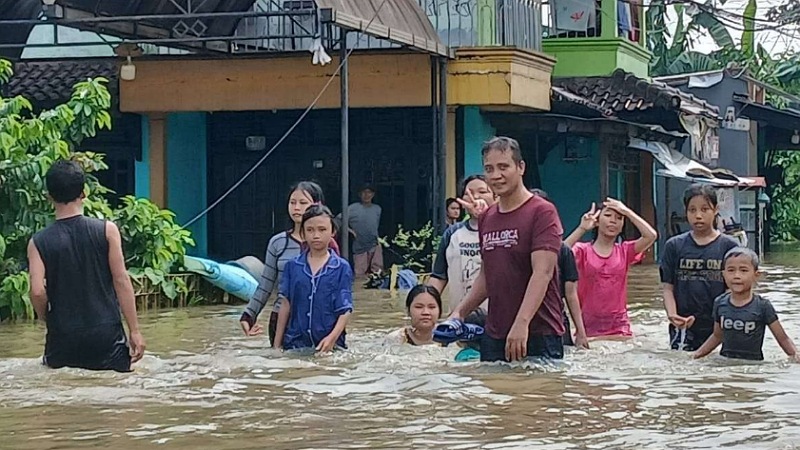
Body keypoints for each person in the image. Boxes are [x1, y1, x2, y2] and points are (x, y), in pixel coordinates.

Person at [449, 136, 565, 362]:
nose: (495, 175)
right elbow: (486, 275)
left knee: (539, 395)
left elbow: (542, 273)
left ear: (520, 167)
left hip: (538, 332)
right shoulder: (487, 218)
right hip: (495, 332)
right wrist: (459, 313)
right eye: (489, 169)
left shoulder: (542, 212)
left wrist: (522, 323)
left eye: (503, 167)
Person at [27, 160, 145, 372]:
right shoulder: (107, 231)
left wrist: (49, 319)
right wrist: (134, 331)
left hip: (63, 338)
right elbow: (121, 280)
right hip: (106, 336)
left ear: (49, 197)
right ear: (83, 193)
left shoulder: (38, 242)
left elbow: (37, 291)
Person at [239, 181, 339, 343]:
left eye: (303, 203)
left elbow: (337, 291)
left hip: (318, 322)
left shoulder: (327, 244)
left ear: (317, 205)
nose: (297, 208)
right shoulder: (277, 243)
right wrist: (249, 315)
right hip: (281, 321)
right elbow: (266, 285)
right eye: (292, 203)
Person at [564, 198, 657, 340]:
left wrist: (627, 211)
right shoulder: (582, 251)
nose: (613, 221)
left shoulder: (625, 251)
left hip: (619, 329)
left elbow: (651, 235)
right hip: (587, 330)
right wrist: (582, 228)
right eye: (607, 216)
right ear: (597, 221)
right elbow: (560, 253)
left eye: (619, 218)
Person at [660, 184, 739, 351]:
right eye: (692, 210)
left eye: (705, 209)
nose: (698, 216)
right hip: (682, 325)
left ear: (716, 209)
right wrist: (673, 316)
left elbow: (733, 288)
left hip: (718, 325)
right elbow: (668, 288)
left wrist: (724, 318)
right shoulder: (674, 246)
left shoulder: (729, 246)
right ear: (686, 211)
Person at [693, 247, 800, 362]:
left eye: (743, 270)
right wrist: (697, 355)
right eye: (731, 270)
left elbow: (782, 338)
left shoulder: (763, 306)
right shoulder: (720, 303)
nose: (736, 275)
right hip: (725, 364)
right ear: (723, 275)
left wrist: (795, 355)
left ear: (756, 275)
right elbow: (717, 336)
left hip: (753, 366)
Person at [274, 205, 354, 352]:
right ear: (303, 234)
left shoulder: (341, 267)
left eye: (322, 230)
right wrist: (277, 346)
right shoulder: (292, 266)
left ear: (333, 232)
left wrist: (332, 338)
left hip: (330, 346)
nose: (316, 235)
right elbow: (285, 305)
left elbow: (345, 309)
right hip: (296, 343)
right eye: (310, 230)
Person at [530, 189, 590, 349]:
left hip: (554, 320)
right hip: (520, 320)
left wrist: (581, 331)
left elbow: (571, 294)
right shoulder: (514, 246)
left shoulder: (563, 251)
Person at [429, 175, 495, 319]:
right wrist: (426, 303)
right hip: (459, 319)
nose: (475, 197)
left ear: (496, 197)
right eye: (468, 193)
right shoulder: (452, 234)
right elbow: (439, 276)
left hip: (495, 319)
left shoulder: (502, 231)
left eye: (483, 192)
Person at [344, 184, 383, 278]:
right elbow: (338, 220)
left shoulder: (377, 209)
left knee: (378, 272)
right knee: (359, 274)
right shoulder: (352, 208)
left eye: (369, 192)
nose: (366, 195)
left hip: (375, 244)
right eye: (364, 192)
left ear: (373, 194)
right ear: (359, 194)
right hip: (359, 246)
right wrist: (349, 230)